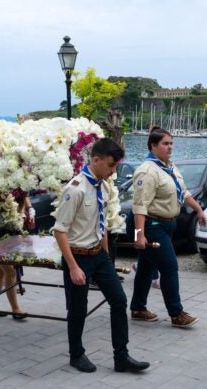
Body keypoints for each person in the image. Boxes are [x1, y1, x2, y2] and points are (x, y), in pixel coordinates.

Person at [52, 138, 150, 374]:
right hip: (78, 256)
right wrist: (74, 267)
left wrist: (106, 254)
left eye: (115, 166)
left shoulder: (104, 186)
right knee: (78, 308)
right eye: (110, 165)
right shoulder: (75, 189)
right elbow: (60, 230)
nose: (113, 170)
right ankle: (76, 355)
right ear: (96, 160)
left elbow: (102, 222)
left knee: (119, 300)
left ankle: (121, 357)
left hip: (98, 254)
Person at [129, 126, 206, 328]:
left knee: (146, 267)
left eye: (171, 143)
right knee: (169, 267)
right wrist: (139, 235)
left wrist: (198, 209)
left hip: (166, 225)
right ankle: (176, 313)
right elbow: (139, 206)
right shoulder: (147, 171)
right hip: (151, 224)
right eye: (165, 143)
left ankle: (137, 308)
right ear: (153, 146)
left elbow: (184, 192)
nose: (170, 147)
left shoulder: (169, 167)